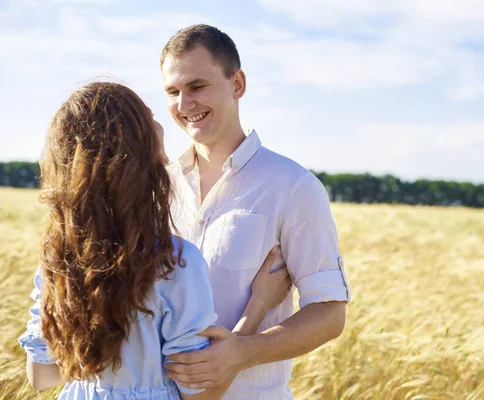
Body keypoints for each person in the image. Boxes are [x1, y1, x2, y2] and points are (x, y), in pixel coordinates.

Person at [18, 82, 290, 399]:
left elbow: (40, 374)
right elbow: (201, 396)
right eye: (146, 115)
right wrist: (256, 308)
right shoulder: (174, 262)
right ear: (137, 153)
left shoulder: (59, 256)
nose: (161, 118)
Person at [160, 24, 351, 399]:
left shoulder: (293, 186)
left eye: (197, 87)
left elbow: (330, 314)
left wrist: (244, 353)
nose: (184, 105)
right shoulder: (156, 188)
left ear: (238, 84)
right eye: (173, 91)